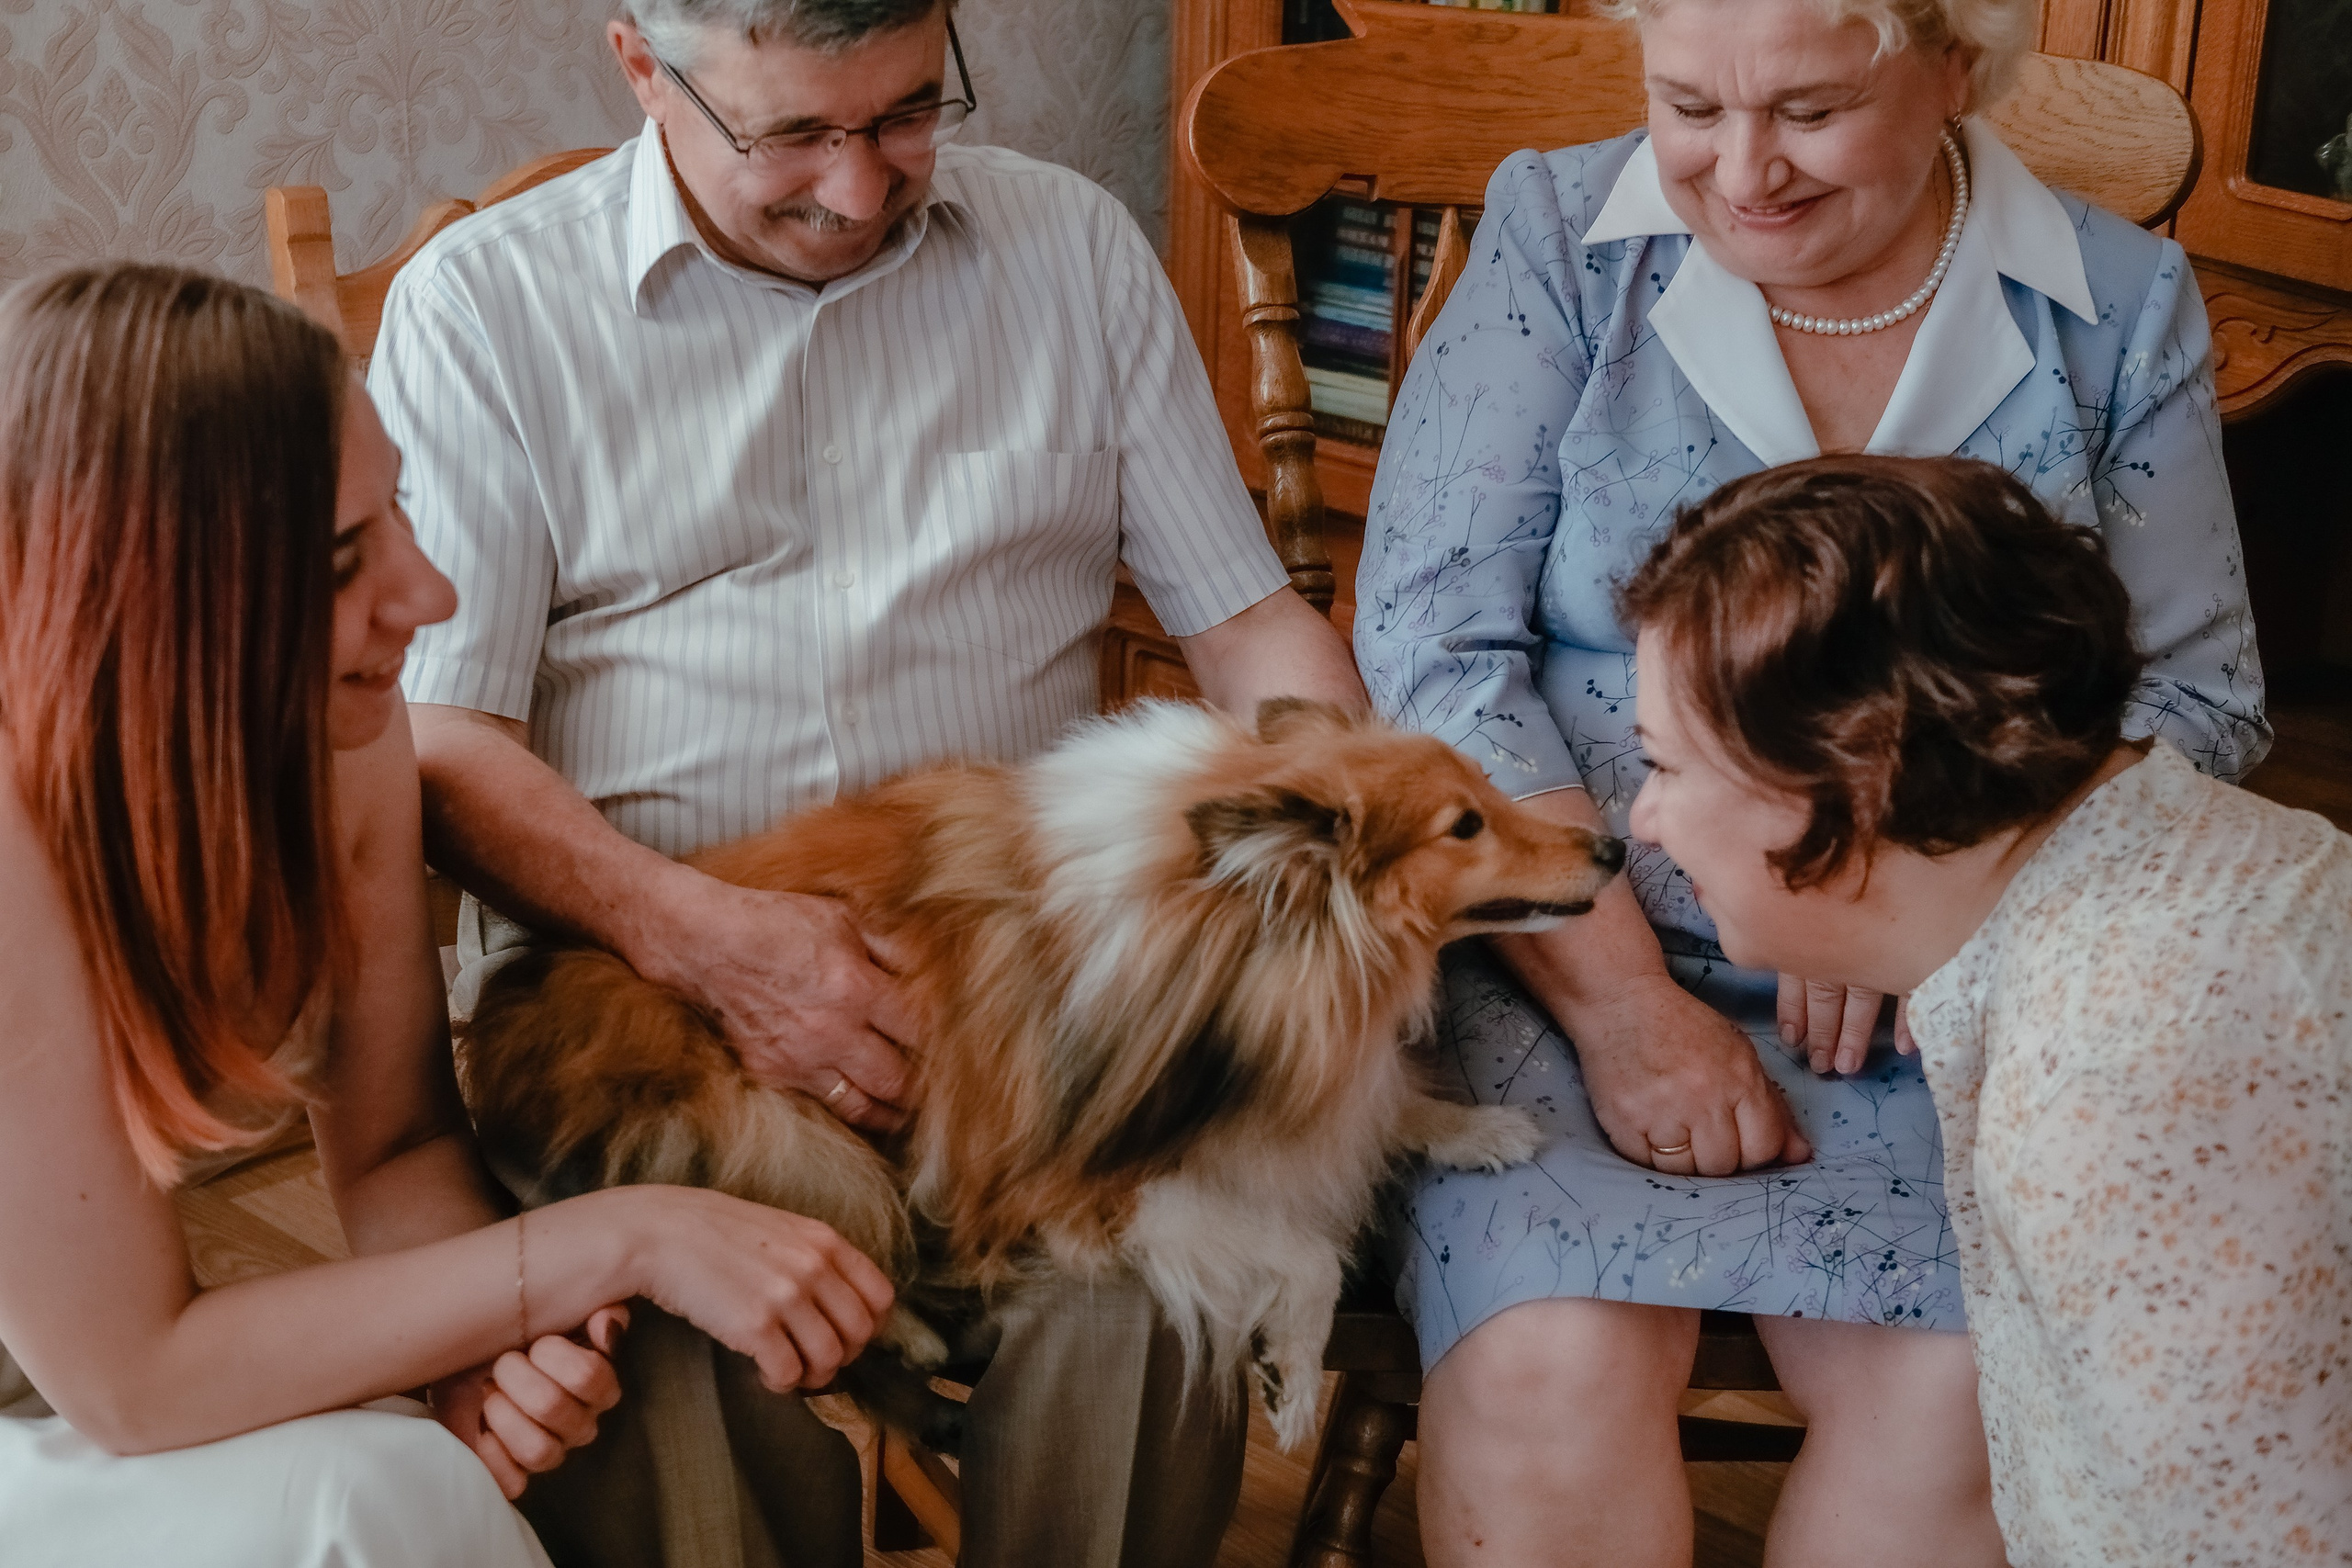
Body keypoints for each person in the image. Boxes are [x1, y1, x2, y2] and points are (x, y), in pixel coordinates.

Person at [368, 0, 1365, 1562]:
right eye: (791, 136)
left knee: (1153, 1301)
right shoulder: (488, 308)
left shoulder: (1074, 252)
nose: (856, 186)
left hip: (1032, 1005)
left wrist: (1348, 831)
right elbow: (443, 739)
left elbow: (1243, 621)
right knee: (664, 1342)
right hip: (643, 1011)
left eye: (907, 112)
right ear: (641, 64)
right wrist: (703, 939)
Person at [1352, 0, 2269, 1559]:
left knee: (1958, 1392)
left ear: (1956, 70)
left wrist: (1907, 895)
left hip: (1951, 998)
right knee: (1551, 1359)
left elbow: (2198, 696)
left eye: (1811, 111)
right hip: (1561, 956)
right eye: (1689, 105)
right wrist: (1629, 1006)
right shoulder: (1564, 242)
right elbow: (1435, 648)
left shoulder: (2113, 301)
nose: (1740, 171)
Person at [0, 265, 899, 1565]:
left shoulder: (341, 733)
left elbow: (399, 1140)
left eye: (400, 512)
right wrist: (619, 1236)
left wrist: (487, 1351)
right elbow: (134, 1380)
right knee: (369, 1497)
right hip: (94, 1387)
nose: (432, 598)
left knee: (438, 1462)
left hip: (114, 1367)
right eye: (343, 559)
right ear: (157, 609)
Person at [1617, 453, 2347, 1566]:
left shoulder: (2116, 1070)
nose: (1642, 822)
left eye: (1664, 766)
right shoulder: (2159, 860)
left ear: (1850, 776)